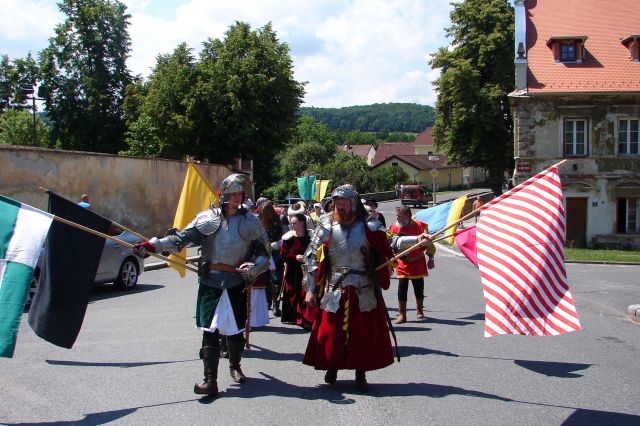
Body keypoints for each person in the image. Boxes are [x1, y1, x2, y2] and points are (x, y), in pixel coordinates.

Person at [133, 173, 270, 397]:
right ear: (224, 195)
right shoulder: (207, 218)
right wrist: (153, 245)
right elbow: (179, 240)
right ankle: (210, 381)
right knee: (209, 331)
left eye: (240, 193)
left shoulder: (250, 221)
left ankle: (234, 366)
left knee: (235, 332)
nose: (237, 197)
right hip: (210, 282)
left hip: (236, 282)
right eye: (233, 193)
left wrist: (254, 268)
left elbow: (265, 253)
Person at [301, 184, 431, 391]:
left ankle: (360, 373)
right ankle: (331, 365)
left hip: (363, 287)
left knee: (362, 335)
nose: (340, 207)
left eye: (344, 203)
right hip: (335, 287)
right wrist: (309, 289)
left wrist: (417, 239)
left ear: (353, 204)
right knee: (331, 333)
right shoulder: (326, 224)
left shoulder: (370, 226)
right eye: (337, 204)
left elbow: (392, 242)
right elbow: (310, 257)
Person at [387, 206, 436, 324]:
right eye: (397, 216)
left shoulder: (421, 226)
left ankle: (419, 310)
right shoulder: (393, 228)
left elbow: (429, 244)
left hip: (417, 262)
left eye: (399, 216)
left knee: (419, 288)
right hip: (402, 263)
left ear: (408, 216)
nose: (397, 219)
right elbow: (389, 246)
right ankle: (402, 314)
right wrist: (390, 263)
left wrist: (431, 258)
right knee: (402, 289)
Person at [271, 213, 314, 328]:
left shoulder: (311, 236)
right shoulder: (289, 238)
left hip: (307, 270)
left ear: (302, 223)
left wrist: (308, 258)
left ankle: (305, 318)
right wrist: (295, 257)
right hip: (293, 270)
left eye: (294, 223)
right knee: (293, 293)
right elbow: (283, 254)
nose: (292, 225)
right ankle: (296, 316)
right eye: (291, 223)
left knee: (306, 293)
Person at [259, 201, 284, 316]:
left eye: (269, 213)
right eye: (265, 214)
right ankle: (267, 302)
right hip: (264, 253)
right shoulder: (259, 222)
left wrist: (278, 243)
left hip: (275, 253)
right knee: (266, 279)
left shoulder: (278, 220)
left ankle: (276, 304)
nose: (268, 216)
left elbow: (283, 235)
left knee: (276, 279)